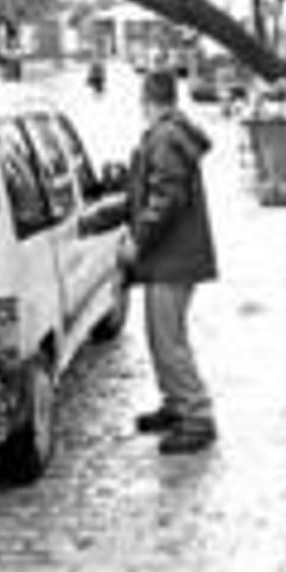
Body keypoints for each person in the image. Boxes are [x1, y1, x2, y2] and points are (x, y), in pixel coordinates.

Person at [125, 67, 219, 454]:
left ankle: (196, 416)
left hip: (172, 255)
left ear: (147, 99)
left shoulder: (164, 136)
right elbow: (152, 195)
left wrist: (139, 241)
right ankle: (176, 403)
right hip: (174, 254)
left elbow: (165, 198)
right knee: (163, 336)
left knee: (168, 341)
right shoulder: (170, 133)